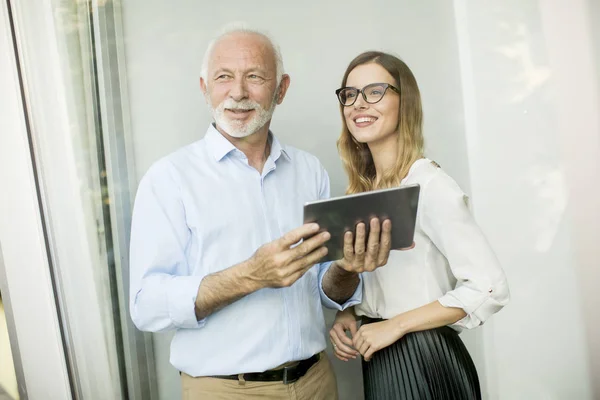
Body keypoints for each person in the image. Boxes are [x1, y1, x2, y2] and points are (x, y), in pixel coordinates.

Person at [128, 26, 395, 400]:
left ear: (281, 89)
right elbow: (146, 306)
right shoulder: (169, 179)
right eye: (224, 77)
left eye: (254, 77)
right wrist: (249, 276)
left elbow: (326, 289)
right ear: (205, 88)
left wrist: (347, 267)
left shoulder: (309, 171)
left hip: (317, 382)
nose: (238, 92)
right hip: (226, 391)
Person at [329, 51, 510, 400]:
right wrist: (350, 312)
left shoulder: (429, 184)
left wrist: (394, 325)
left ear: (405, 102)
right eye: (349, 94)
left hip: (425, 360)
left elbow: (490, 286)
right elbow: (387, 284)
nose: (358, 104)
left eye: (375, 91)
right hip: (381, 358)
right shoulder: (365, 193)